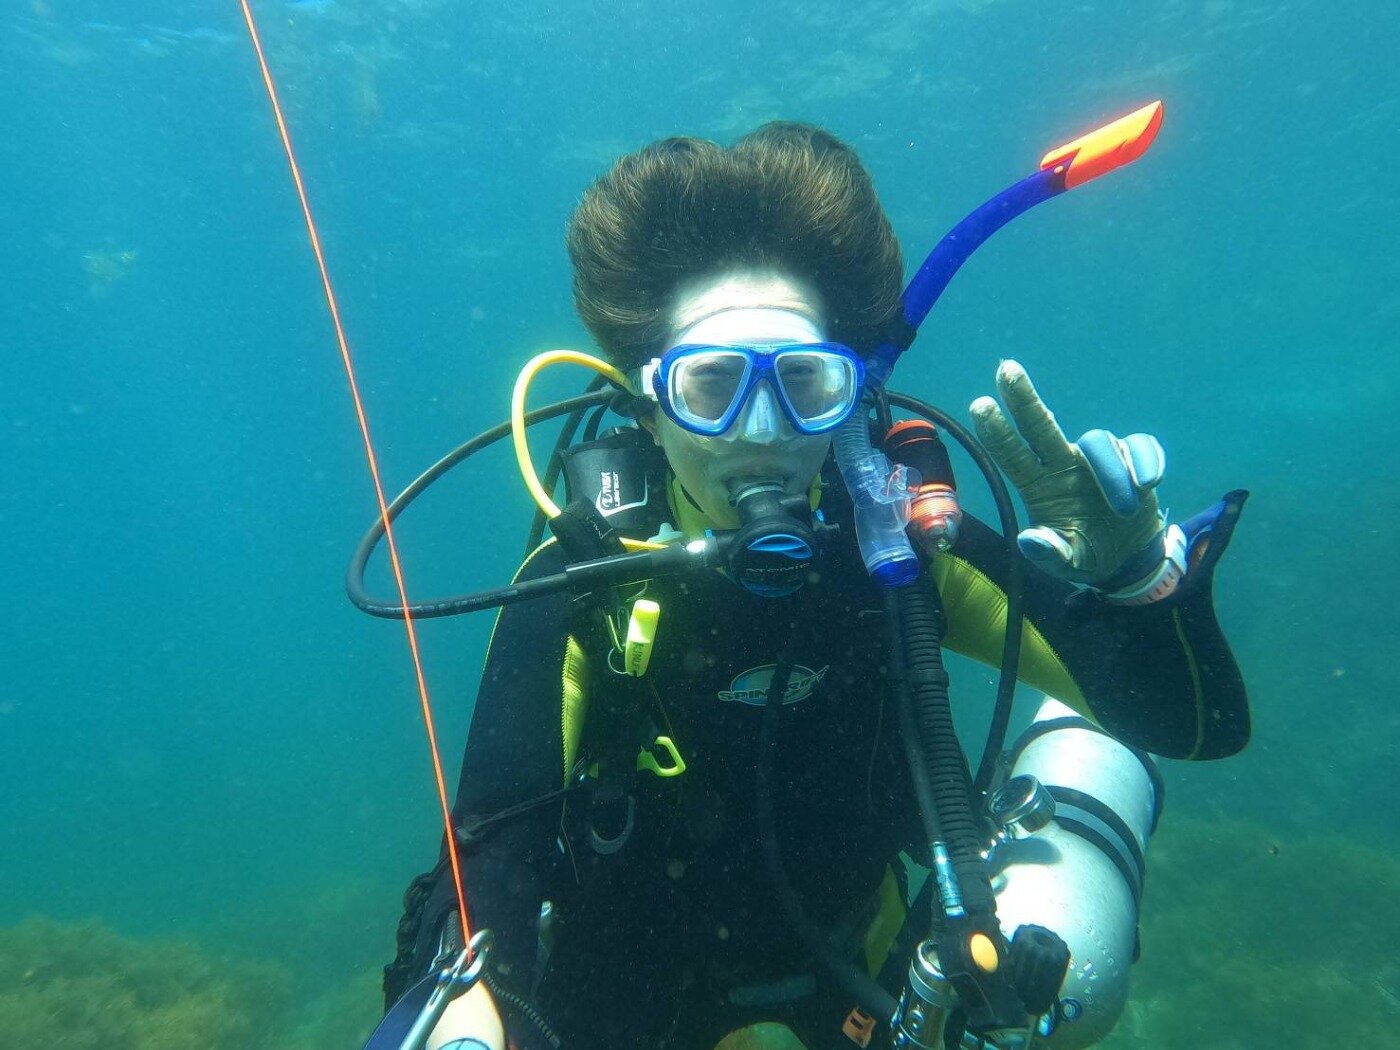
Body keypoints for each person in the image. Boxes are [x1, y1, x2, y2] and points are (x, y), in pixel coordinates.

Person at [379, 122, 1249, 1050]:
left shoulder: (903, 548)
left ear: (852, 398)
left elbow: (1190, 725)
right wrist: (470, 1002)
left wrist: (1135, 579)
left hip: (865, 968)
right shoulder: (586, 582)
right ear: (650, 408)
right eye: (710, 386)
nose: (762, 429)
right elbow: (492, 853)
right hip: (626, 977)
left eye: (805, 383)